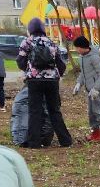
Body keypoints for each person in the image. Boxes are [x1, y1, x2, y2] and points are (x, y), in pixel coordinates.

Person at [17, 16, 73, 148]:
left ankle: (34, 142)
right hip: (52, 81)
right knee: (54, 110)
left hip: (34, 81)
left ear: (30, 29)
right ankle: (65, 141)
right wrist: (57, 75)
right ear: (43, 29)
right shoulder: (51, 42)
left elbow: (20, 61)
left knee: (35, 111)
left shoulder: (27, 42)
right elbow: (61, 64)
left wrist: (29, 70)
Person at [71, 35, 100, 142]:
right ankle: (96, 132)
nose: (76, 50)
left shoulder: (94, 57)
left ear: (81, 47)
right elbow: (83, 73)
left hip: (99, 90)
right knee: (91, 112)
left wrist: (96, 88)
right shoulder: (82, 58)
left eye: (77, 48)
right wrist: (78, 84)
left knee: (97, 111)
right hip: (89, 89)